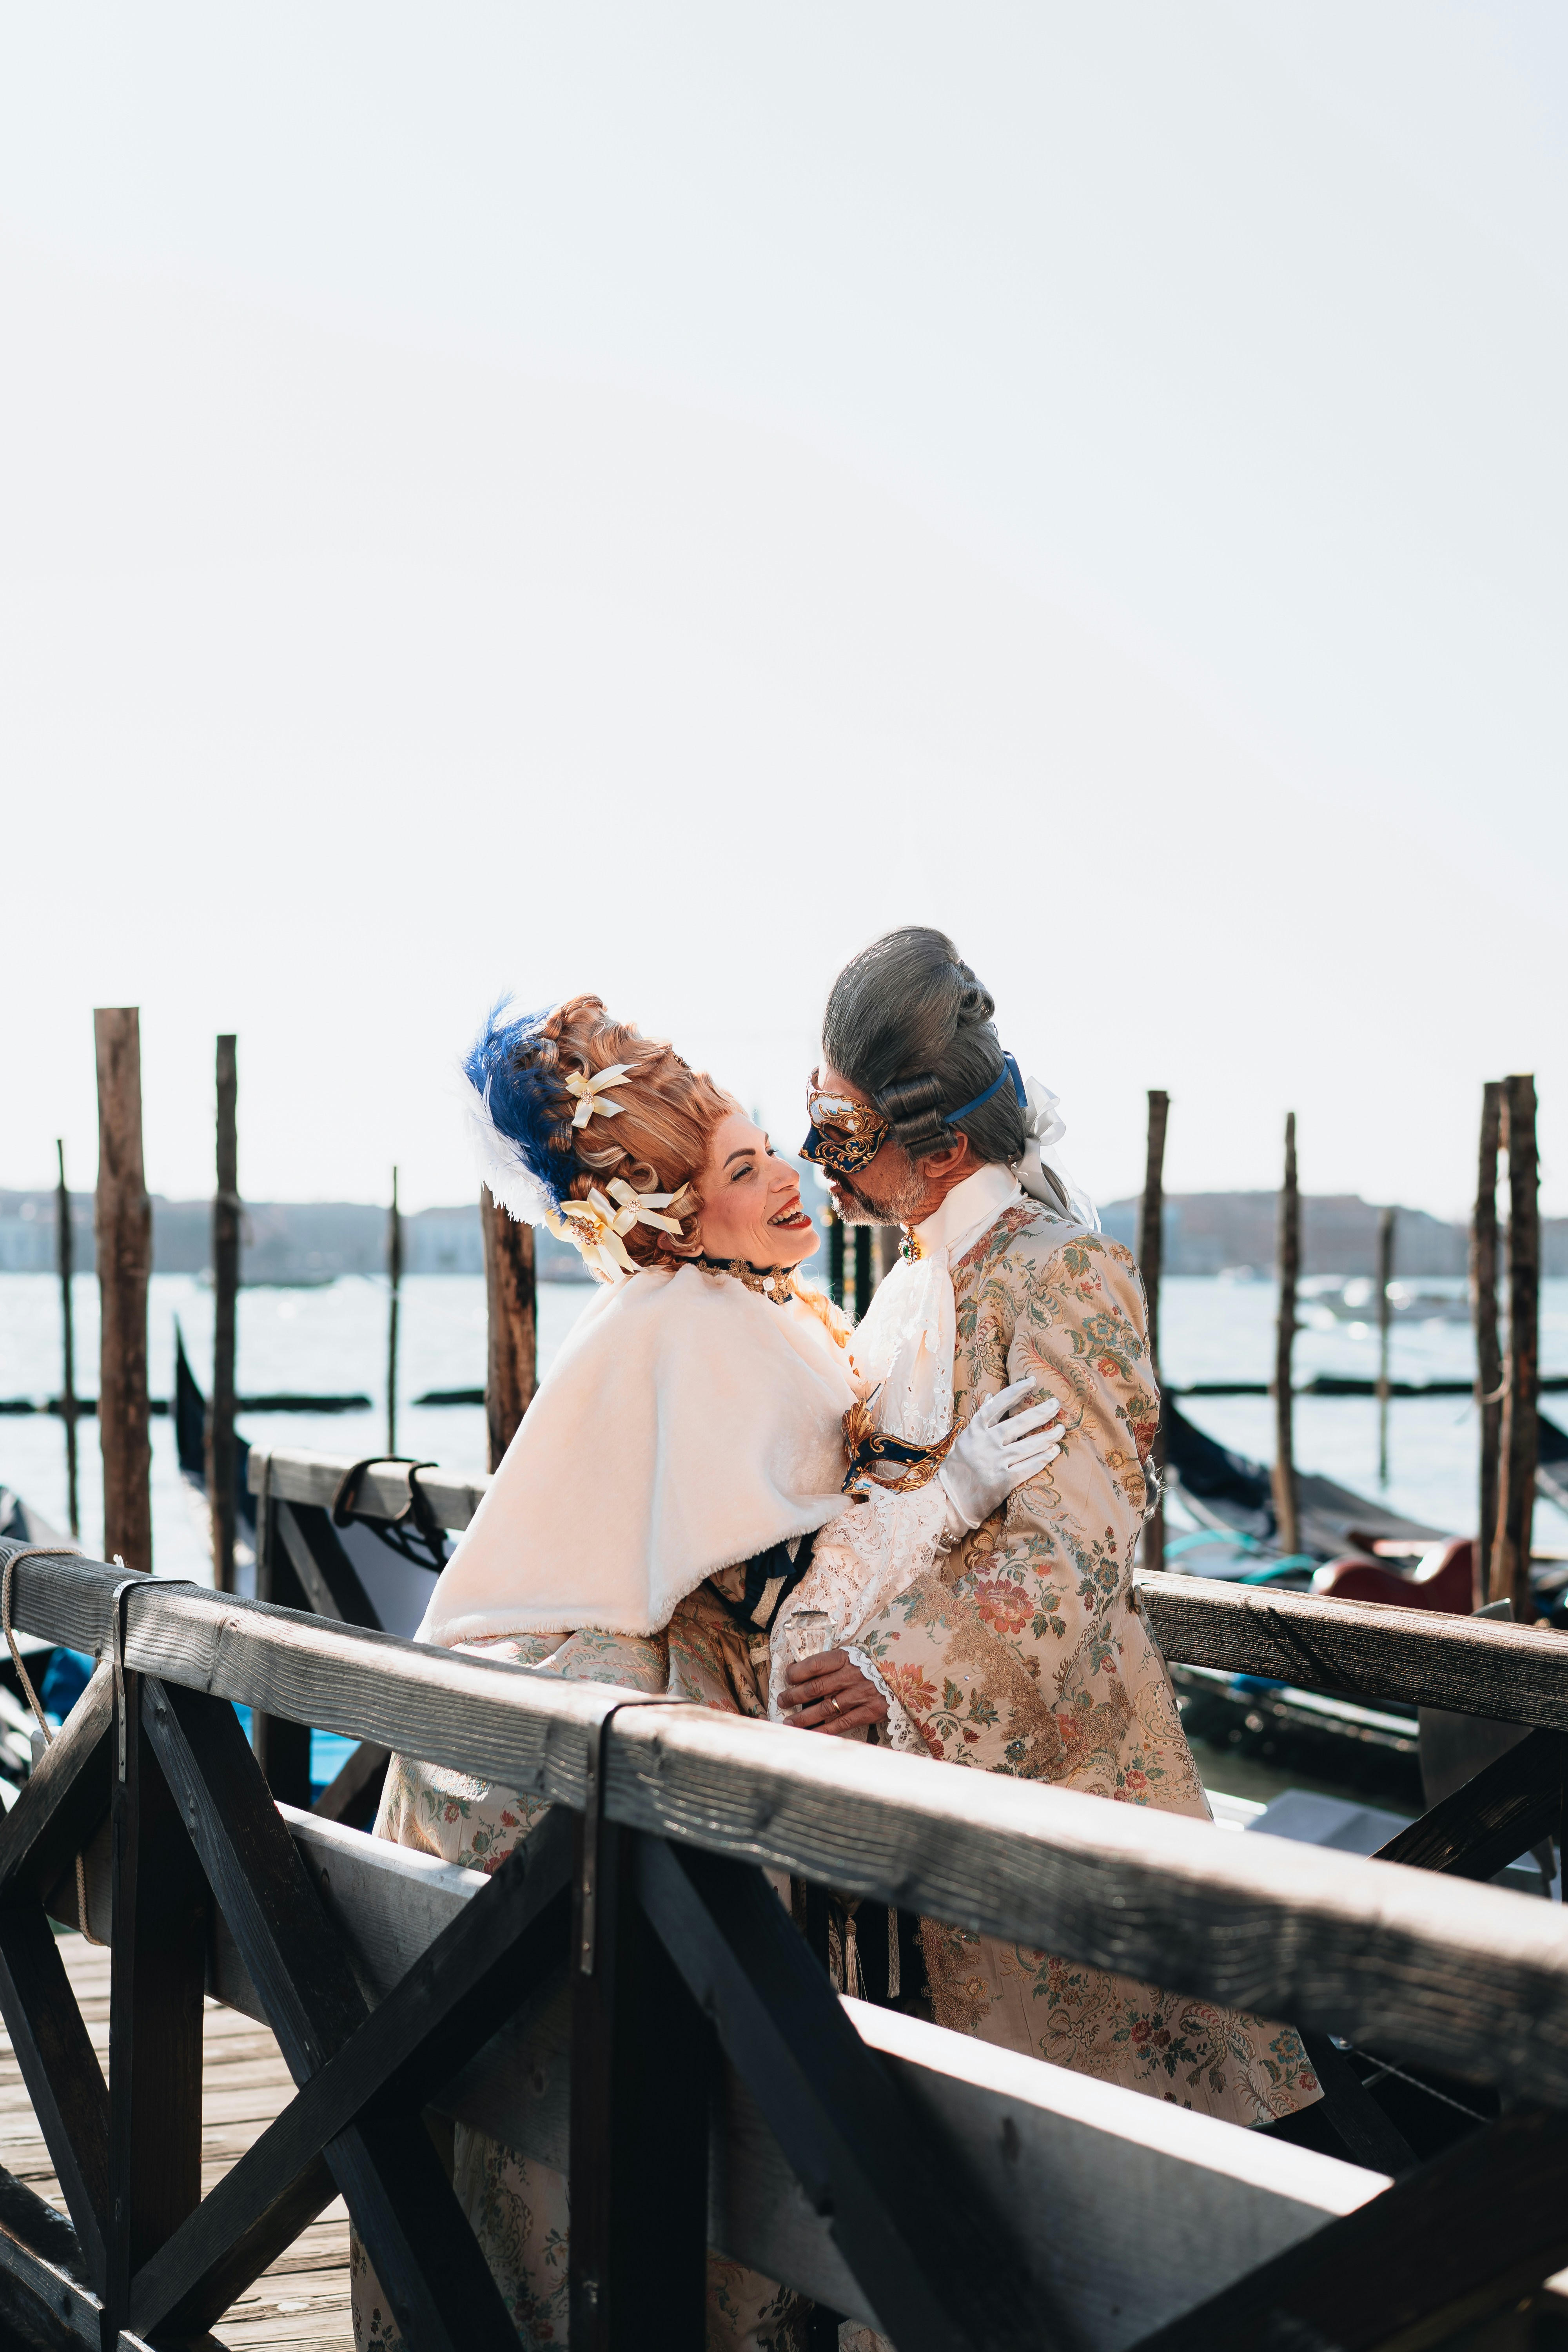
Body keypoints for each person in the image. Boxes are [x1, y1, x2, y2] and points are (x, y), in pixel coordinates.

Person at [351, 991, 1058, 2352]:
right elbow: (784, 1600)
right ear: (672, 1220)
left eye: (768, 1150)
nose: (788, 1176)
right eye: (742, 1171)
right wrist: (956, 1493)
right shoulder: (692, 1327)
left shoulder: (749, 1299)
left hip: (594, 1752)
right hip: (559, 1782)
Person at [776, 926, 1322, 2133]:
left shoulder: (1064, 1274)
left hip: (1061, 1779)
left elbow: (1078, 1550)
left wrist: (888, 1670)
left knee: (1100, 2163)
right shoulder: (910, 1281)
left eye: (841, 1139)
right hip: (909, 1797)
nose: (817, 1167)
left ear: (946, 1146)